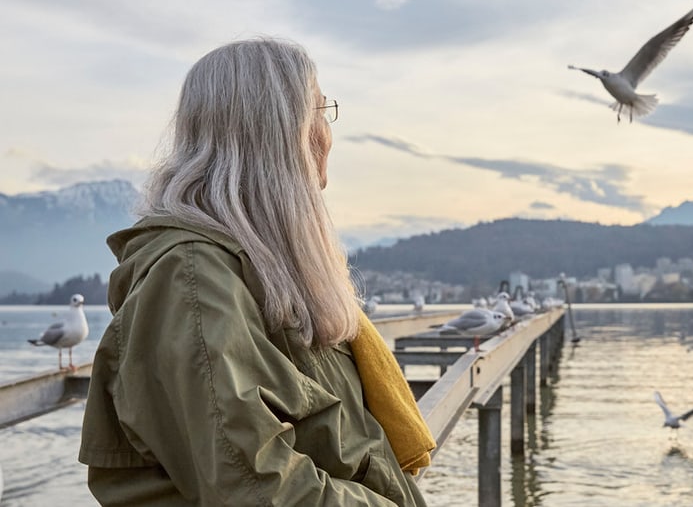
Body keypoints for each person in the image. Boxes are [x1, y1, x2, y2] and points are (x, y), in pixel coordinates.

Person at [79, 38, 432, 506]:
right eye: (320, 111)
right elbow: (255, 485)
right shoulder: (190, 278)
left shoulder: (262, 270)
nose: (328, 132)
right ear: (286, 134)